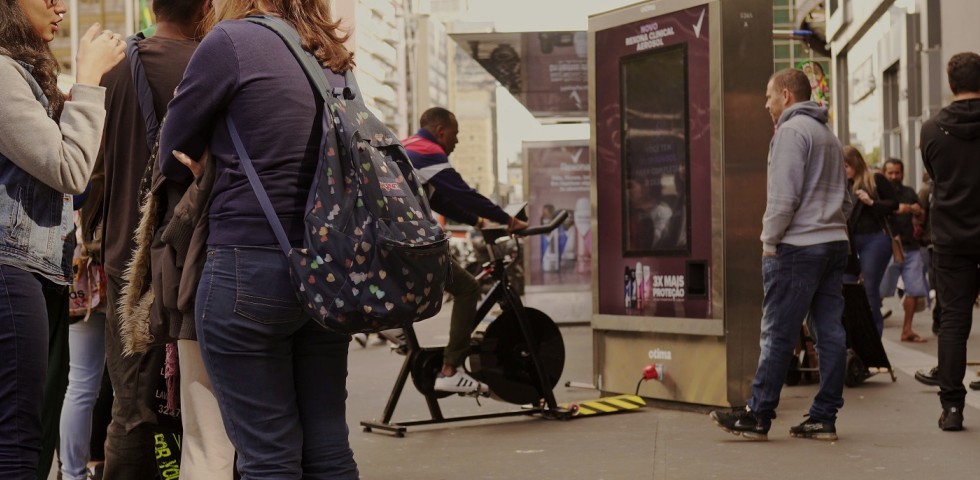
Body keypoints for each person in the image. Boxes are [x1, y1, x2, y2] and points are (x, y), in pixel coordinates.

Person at [157, 1, 360, 477]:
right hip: (327, 268)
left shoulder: (230, 41)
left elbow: (172, 152)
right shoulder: (332, 55)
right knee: (329, 447)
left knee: (267, 453)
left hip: (247, 269)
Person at [99, 0, 234, 478]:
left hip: (126, 262)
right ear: (206, 9)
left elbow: (93, 173)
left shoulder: (112, 68)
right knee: (209, 409)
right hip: (195, 254)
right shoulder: (215, 64)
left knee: (133, 407)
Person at [0, 1, 124, 476]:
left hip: (33, 271)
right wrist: (89, 77)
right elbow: (69, 170)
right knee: (18, 436)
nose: (59, 6)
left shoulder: (21, 73)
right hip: (12, 272)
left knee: (29, 428)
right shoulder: (4, 72)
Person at [709, 68, 850, 441]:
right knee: (831, 333)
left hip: (798, 247)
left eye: (769, 96)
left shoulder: (790, 132)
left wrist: (769, 241)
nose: (766, 104)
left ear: (787, 95)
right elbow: (846, 200)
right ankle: (824, 418)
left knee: (777, 333)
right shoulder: (829, 137)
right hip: (834, 243)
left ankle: (758, 415)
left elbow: (783, 198)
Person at [403, 107, 528, 395]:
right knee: (468, 288)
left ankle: (399, 334)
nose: (457, 142)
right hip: (410, 241)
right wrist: (508, 220)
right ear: (441, 132)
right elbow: (463, 193)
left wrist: (478, 221)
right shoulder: (427, 150)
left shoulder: (408, 146)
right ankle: (451, 369)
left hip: (392, 240)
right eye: (456, 135)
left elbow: (439, 201)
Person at [919, 51, 980, 432]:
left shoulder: (931, 129)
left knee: (955, 322)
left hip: (952, 237)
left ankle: (953, 408)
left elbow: (933, 175)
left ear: (950, 83)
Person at [842, 145, 898, 336]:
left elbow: (894, 204)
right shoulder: (842, 185)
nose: (843, 170)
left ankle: (874, 340)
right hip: (849, 241)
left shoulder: (874, 180)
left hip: (875, 239)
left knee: (869, 289)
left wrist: (871, 202)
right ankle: (855, 340)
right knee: (846, 287)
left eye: (846, 166)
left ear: (855, 164)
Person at [878, 158, 929, 343]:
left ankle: (907, 329)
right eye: (890, 172)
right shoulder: (878, 193)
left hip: (911, 247)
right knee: (878, 292)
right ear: (884, 173)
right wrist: (897, 209)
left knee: (914, 290)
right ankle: (875, 336)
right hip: (888, 247)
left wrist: (917, 211)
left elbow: (922, 215)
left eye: (897, 172)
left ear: (903, 173)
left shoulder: (909, 192)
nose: (893, 176)